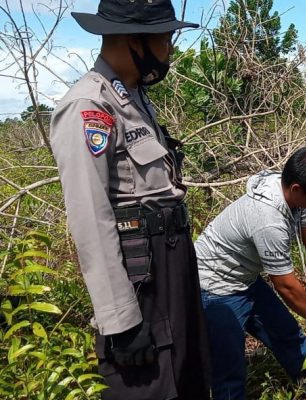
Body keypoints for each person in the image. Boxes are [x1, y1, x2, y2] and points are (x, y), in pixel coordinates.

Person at [49, 1, 210, 398]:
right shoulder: (89, 106)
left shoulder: (132, 95)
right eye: (165, 37)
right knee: (150, 385)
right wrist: (120, 318)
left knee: (187, 377)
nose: (170, 49)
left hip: (171, 263)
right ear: (134, 40)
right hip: (140, 272)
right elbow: (91, 218)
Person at [195, 146, 306, 399]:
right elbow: (285, 285)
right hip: (216, 288)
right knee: (229, 371)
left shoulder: (291, 193)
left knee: (288, 334)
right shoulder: (268, 220)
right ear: (296, 188)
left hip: (244, 279)